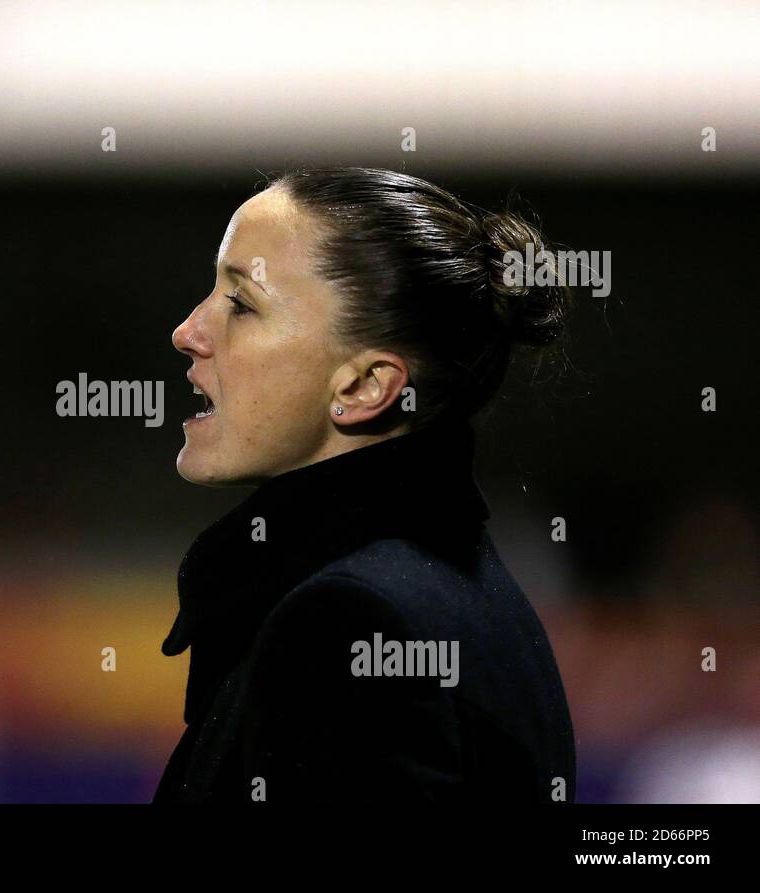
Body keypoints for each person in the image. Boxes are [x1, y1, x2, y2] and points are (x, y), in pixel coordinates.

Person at [153, 167, 576, 803]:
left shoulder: (351, 624)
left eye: (241, 304)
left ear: (364, 386)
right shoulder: (455, 590)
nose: (188, 333)